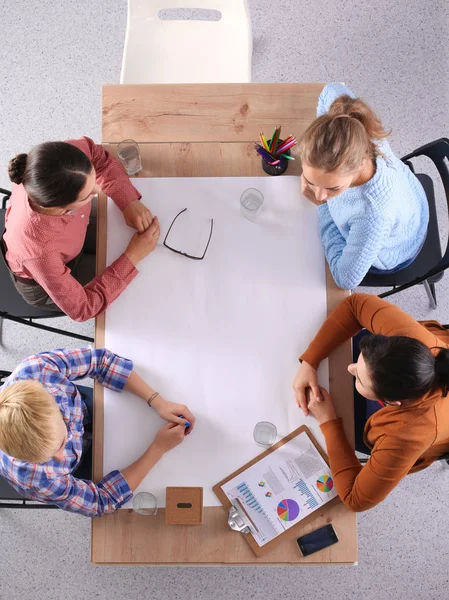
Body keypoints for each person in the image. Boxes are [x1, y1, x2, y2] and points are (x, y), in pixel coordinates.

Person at [292, 293, 449, 512]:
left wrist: (328, 420)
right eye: (360, 362)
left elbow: (356, 499)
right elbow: (355, 304)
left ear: (392, 402)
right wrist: (310, 360)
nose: (350, 369)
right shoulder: (409, 339)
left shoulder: (409, 434)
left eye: (359, 379)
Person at [0, 347, 195, 516]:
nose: (61, 458)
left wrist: (157, 401)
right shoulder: (36, 479)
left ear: (54, 403)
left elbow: (101, 361)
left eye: (60, 444)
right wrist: (157, 449)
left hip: (84, 406)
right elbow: (102, 501)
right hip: (83, 465)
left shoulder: (38, 369)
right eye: (48, 456)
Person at [2, 137, 160, 322]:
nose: (98, 190)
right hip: (42, 281)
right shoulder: (38, 252)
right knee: (135, 292)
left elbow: (98, 157)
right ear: (62, 208)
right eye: (89, 194)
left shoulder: (65, 160)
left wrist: (127, 200)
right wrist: (132, 256)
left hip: (69, 240)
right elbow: (83, 308)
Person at [298, 83, 429, 290]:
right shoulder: (354, 126)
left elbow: (345, 279)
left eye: (333, 188)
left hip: (396, 248)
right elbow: (329, 89)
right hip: (408, 196)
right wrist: (323, 133)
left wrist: (322, 208)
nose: (320, 195)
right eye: (312, 182)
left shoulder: (372, 215)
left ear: (359, 166)